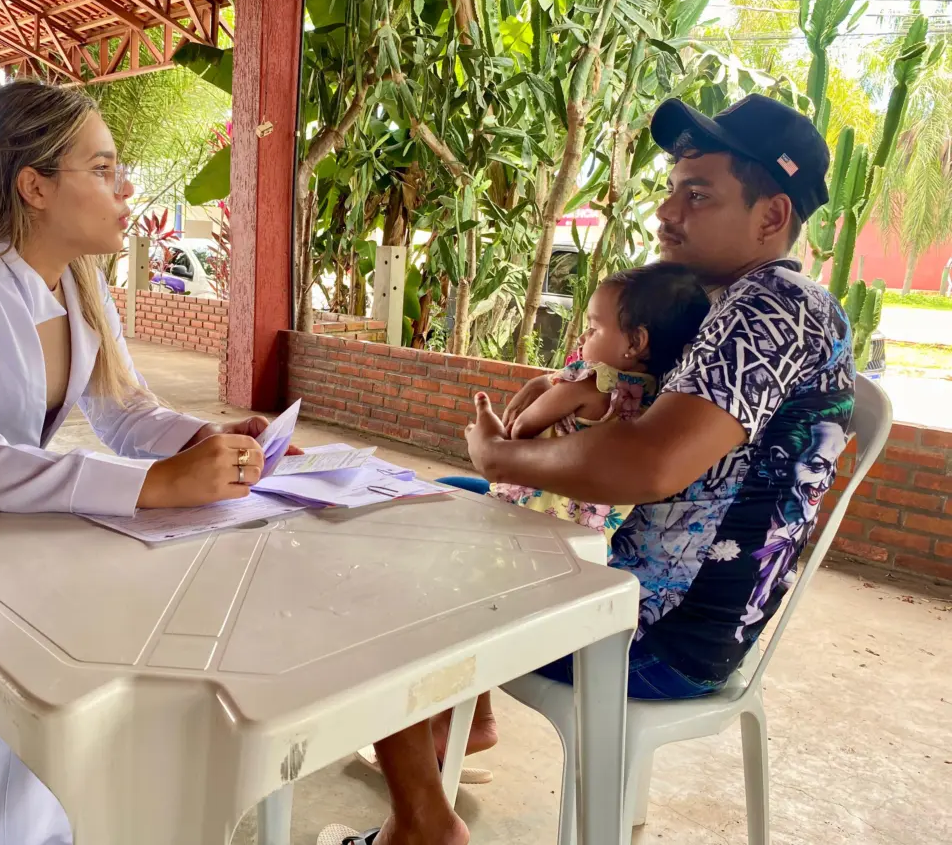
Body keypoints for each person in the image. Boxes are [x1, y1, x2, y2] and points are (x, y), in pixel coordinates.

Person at [324, 93, 856, 845]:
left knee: (394, 582)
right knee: (428, 509)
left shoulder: (775, 301)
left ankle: (421, 825)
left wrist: (504, 455)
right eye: (672, 188)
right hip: (610, 568)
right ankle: (459, 722)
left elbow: (646, 463)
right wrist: (527, 437)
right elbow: (576, 385)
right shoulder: (690, 299)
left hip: (658, 632)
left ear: (771, 218)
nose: (668, 213)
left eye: (697, 195)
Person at [0, 79, 293, 845]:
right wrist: (148, 488)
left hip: (8, 548)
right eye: (104, 168)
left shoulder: (79, 283)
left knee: (176, 644)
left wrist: (200, 443)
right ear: (35, 186)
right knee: (86, 705)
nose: (125, 187)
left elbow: (125, 411)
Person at [491, 263, 711, 539]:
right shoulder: (658, 396)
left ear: (635, 343)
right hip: (584, 536)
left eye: (593, 328)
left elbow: (521, 426)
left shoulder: (590, 382)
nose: (583, 337)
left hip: (528, 513)